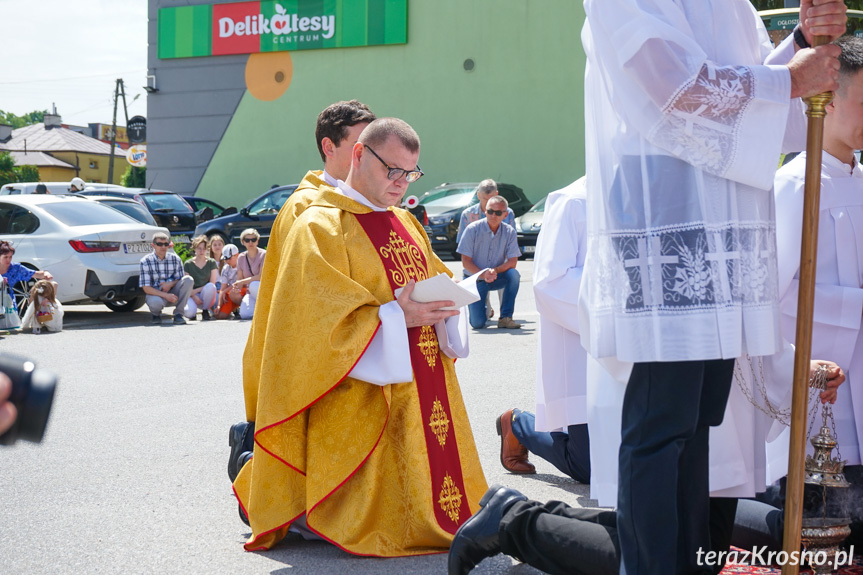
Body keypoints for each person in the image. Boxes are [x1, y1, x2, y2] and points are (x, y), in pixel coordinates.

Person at [232, 117, 487, 556]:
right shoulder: (320, 225)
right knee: (373, 514)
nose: (401, 183)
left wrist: (447, 305)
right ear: (358, 155)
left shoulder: (406, 222)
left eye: (410, 173)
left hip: (424, 376)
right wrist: (392, 317)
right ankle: (310, 506)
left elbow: (432, 275)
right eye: (392, 170)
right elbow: (313, 323)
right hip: (360, 388)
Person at [239, 100, 375, 427]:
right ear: (329, 146)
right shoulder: (306, 206)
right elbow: (302, 299)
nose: (370, 156)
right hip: (318, 358)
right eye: (361, 146)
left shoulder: (368, 202)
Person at [497, 178, 590, 480]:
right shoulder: (572, 200)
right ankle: (518, 424)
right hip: (587, 350)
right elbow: (550, 283)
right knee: (588, 466)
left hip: (641, 352)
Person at [457, 196, 521, 329]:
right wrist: (483, 274)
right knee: (477, 324)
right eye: (490, 211)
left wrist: (495, 271)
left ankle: (505, 317)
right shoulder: (472, 229)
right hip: (475, 279)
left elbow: (512, 262)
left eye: (498, 213)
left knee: (514, 274)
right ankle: (484, 309)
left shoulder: (509, 232)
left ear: (505, 215)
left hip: (496, 276)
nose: (493, 215)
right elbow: (466, 262)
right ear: (485, 211)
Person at [139, 232, 193, 325]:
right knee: (156, 303)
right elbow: (146, 288)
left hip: (173, 293)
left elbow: (180, 278)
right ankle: (156, 315)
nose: (163, 247)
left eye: (166, 244)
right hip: (156, 294)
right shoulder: (145, 261)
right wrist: (166, 296)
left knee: (188, 280)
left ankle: (178, 314)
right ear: (153, 245)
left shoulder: (176, 259)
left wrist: (170, 284)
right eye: (160, 244)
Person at [0, 240, 54, 314]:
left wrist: (46, 274)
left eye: (10, 257)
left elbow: (33, 273)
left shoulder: (15, 268)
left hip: (9, 306)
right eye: (5, 257)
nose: (8, 260)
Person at [455, 179, 515, 244]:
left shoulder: (507, 213)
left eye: (491, 199)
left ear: (497, 194)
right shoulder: (467, 214)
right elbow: (462, 243)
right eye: (485, 199)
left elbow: (512, 242)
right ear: (478, 195)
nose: (488, 203)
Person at [183, 235, 218, 321]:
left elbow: (212, 283)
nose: (202, 251)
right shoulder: (188, 264)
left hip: (206, 293)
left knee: (211, 287)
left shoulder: (211, 262)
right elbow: (187, 285)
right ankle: (192, 313)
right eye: (199, 248)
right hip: (192, 294)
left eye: (204, 248)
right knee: (189, 313)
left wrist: (196, 291)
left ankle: (205, 310)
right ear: (194, 248)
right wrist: (194, 295)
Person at [234, 228, 265, 320]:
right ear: (243, 242)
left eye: (253, 240)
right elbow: (239, 277)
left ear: (257, 241)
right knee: (245, 314)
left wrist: (242, 281)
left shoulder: (264, 254)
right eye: (247, 240)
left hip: (262, 289)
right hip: (250, 292)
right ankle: (260, 310)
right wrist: (236, 287)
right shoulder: (241, 257)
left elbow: (260, 277)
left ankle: (265, 308)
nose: (250, 242)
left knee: (253, 284)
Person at [214, 244, 241, 320]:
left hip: (242, 291)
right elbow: (222, 288)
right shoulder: (225, 268)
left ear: (237, 255)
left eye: (229, 258)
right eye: (225, 259)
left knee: (233, 293)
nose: (227, 261)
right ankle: (234, 309)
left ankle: (242, 308)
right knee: (220, 316)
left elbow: (240, 282)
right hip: (230, 292)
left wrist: (226, 290)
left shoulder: (242, 264)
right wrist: (219, 305)